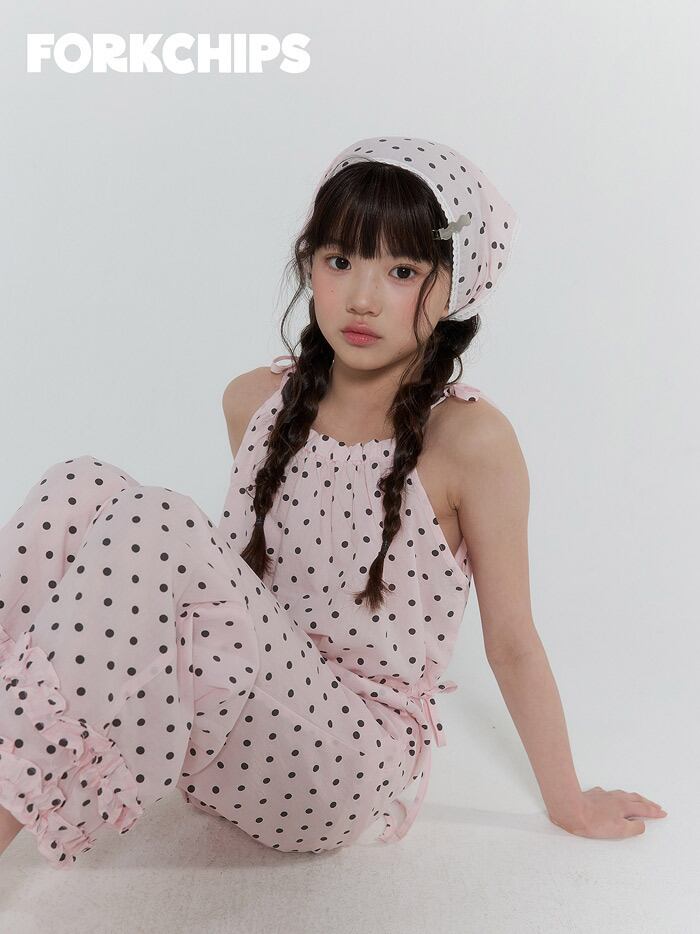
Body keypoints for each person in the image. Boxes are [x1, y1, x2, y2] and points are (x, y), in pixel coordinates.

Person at [0, 135, 666, 870]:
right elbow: (236, 607)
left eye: (403, 271)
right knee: (78, 488)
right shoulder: (256, 402)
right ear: (308, 263)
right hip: (234, 735)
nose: (362, 298)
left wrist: (570, 802)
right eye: (340, 260)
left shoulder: (469, 441)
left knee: (155, 521)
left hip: (347, 768)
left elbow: (511, 640)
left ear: (457, 287)